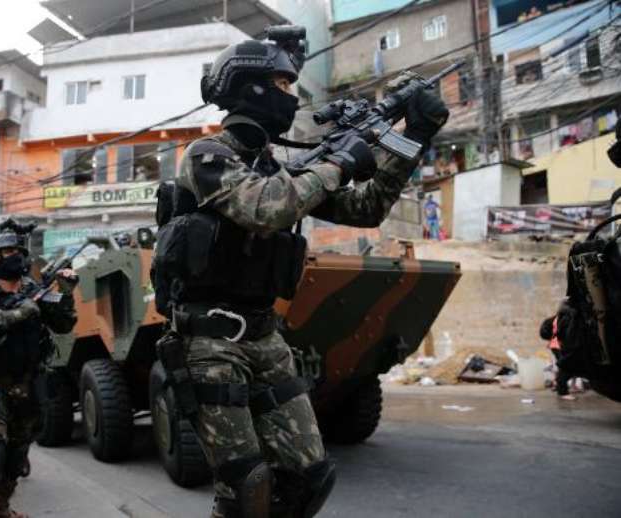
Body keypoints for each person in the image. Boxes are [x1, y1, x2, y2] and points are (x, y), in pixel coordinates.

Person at [152, 26, 448, 518]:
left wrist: (412, 138)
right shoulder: (206, 156)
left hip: (267, 337)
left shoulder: (281, 168)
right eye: (283, 84)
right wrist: (338, 163)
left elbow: (367, 206)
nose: (291, 96)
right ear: (250, 87)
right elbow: (265, 209)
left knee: (309, 478)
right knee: (246, 488)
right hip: (209, 343)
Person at [0, 230, 77, 517]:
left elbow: (64, 325)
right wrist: (18, 313)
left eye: (19, 251)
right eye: (10, 252)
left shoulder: (34, 290)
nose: (18, 256)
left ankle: (2, 508)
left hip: (29, 385)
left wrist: (66, 293)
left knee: (16, 456)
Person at [539, 303, 577, 401]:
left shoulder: (557, 318)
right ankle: (562, 391)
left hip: (558, 345)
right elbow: (545, 333)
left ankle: (560, 386)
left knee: (564, 366)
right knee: (565, 366)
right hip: (559, 346)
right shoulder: (564, 319)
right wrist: (555, 339)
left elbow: (544, 333)